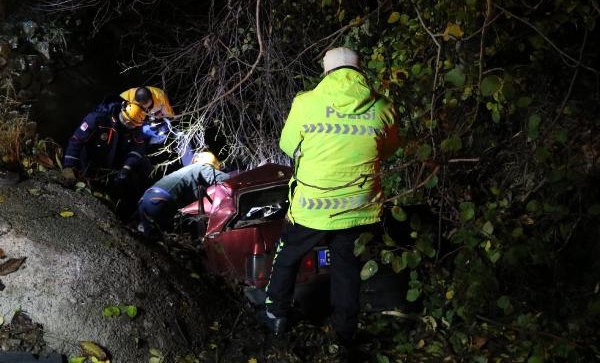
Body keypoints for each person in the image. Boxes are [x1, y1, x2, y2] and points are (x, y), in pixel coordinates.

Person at [261, 47, 401, 346]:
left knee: (287, 259)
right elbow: (387, 150)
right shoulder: (383, 107)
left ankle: (276, 318)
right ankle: (344, 334)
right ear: (360, 71)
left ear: (325, 72)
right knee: (347, 268)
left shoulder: (306, 102)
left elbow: (287, 145)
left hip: (313, 206)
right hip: (359, 206)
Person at [61, 98, 153, 220]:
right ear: (122, 110)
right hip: (88, 165)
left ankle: (134, 214)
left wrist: (126, 168)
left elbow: (138, 149)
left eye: (132, 124)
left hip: (112, 169)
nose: (127, 125)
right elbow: (76, 141)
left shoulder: (134, 130)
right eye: (126, 121)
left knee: (144, 165)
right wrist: (69, 166)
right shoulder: (97, 119)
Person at [137, 151, 230, 240]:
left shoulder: (188, 172)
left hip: (145, 200)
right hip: (161, 201)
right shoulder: (201, 167)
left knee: (152, 243)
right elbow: (225, 179)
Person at [121, 86, 194, 166]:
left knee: (170, 133)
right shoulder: (130, 96)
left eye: (146, 104)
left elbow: (171, 115)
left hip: (158, 120)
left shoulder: (160, 97)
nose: (144, 107)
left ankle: (189, 163)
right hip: (144, 124)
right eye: (142, 105)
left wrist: (161, 114)